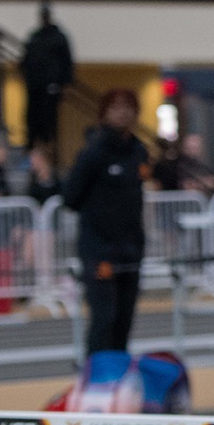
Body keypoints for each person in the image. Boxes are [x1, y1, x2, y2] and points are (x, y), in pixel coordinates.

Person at [62, 89, 149, 355]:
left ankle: (119, 381)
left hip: (131, 250)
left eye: (128, 107)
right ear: (104, 113)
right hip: (100, 251)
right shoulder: (93, 153)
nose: (122, 113)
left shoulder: (139, 151)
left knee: (124, 320)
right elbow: (70, 197)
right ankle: (96, 379)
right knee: (104, 319)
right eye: (115, 107)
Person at [20, 3, 74, 153]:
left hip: (51, 85)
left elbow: (67, 61)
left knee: (48, 118)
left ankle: (48, 145)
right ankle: (33, 143)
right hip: (34, 85)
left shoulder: (58, 38)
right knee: (32, 117)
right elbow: (26, 59)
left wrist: (66, 83)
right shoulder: (35, 37)